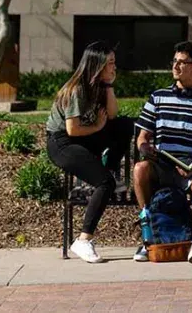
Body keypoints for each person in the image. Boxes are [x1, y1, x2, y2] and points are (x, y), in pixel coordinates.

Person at [133, 41, 192, 264]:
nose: (176, 66)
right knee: (140, 169)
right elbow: (142, 139)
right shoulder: (158, 97)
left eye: (182, 62)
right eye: (174, 61)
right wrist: (147, 149)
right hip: (164, 165)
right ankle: (150, 237)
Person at [45, 42, 134, 263]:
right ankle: (83, 240)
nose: (114, 67)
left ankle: (109, 170)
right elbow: (72, 129)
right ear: (98, 65)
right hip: (62, 143)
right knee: (105, 183)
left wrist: (109, 86)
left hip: (85, 138)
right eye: (110, 63)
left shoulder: (100, 86)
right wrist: (97, 127)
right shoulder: (77, 90)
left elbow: (112, 116)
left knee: (124, 125)